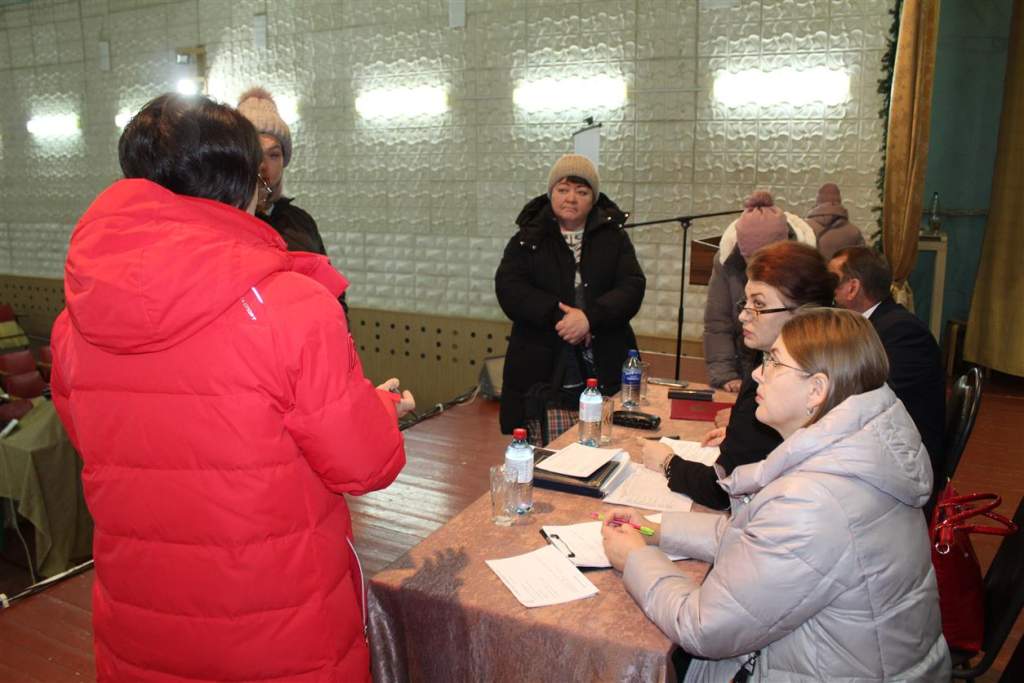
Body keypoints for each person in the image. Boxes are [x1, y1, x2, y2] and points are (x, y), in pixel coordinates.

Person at [50, 93, 414, 682]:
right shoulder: (293, 307)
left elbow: (98, 441)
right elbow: (364, 463)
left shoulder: (77, 318)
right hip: (279, 631)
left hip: (142, 623)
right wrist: (381, 406)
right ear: (243, 183)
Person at [603, 308, 950, 682]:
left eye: (773, 362)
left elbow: (705, 627)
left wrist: (635, 559)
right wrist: (657, 530)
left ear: (816, 390)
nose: (757, 373)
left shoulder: (813, 500)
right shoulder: (854, 455)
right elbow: (756, 538)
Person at [648, 241, 836, 509]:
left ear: (802, 313)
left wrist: (667, 462)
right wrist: (738, 433)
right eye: (745, 302)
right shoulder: (770, 358)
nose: (743, 316)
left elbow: (724, 490)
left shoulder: (794, 382)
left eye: (758, 304)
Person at [494, 154, 645, 443]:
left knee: (604, 447)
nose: (571, 198)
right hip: (541, 367)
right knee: (543, 454)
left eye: (582, 192)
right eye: (563, 190)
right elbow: (509, 288)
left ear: (594, 199)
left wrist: (589, 319)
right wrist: (559, 316)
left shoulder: (614, 237)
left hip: (604, 359)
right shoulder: (528, 237)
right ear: (551, 193)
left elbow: (632, 286)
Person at [830, 245, 946, 503]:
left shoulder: (901, 332)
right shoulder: (877, 324)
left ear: (852, 288)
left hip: (904, 469)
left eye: (832, 281)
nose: (828, 290)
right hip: (880, 445)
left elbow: (871, 399)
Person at [703, 191, 817, 391]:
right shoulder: (727, 261)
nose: (743, 315)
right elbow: (718, 322)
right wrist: (725, 375)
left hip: (792, 371)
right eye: (748, 258)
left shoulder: (807, 265)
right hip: (742, 364)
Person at [805, 182, 865, 259]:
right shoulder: (854, 232)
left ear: (817, 202)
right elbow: (861, 260)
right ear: (840, 201)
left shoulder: (805, 227)